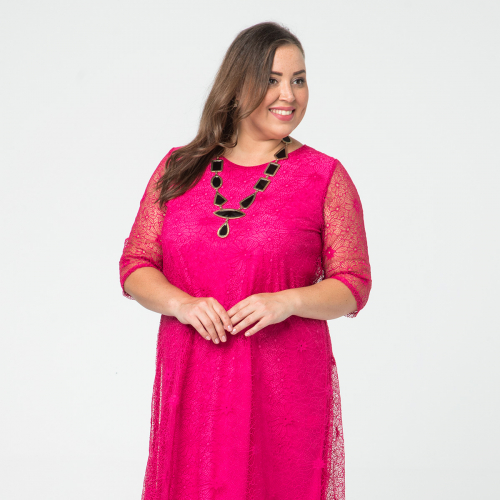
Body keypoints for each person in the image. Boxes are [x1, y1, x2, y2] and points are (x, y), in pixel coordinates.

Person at [119, 21, 371, 500]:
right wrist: (181, 304)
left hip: (283, 388)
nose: (289, 94)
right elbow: (136, 264)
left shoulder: (323, 177)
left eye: (299, 79)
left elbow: (353, 283)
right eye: (272, 79)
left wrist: (287, 301)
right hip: (194, 383)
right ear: (237, 86)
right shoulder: (179, 168)